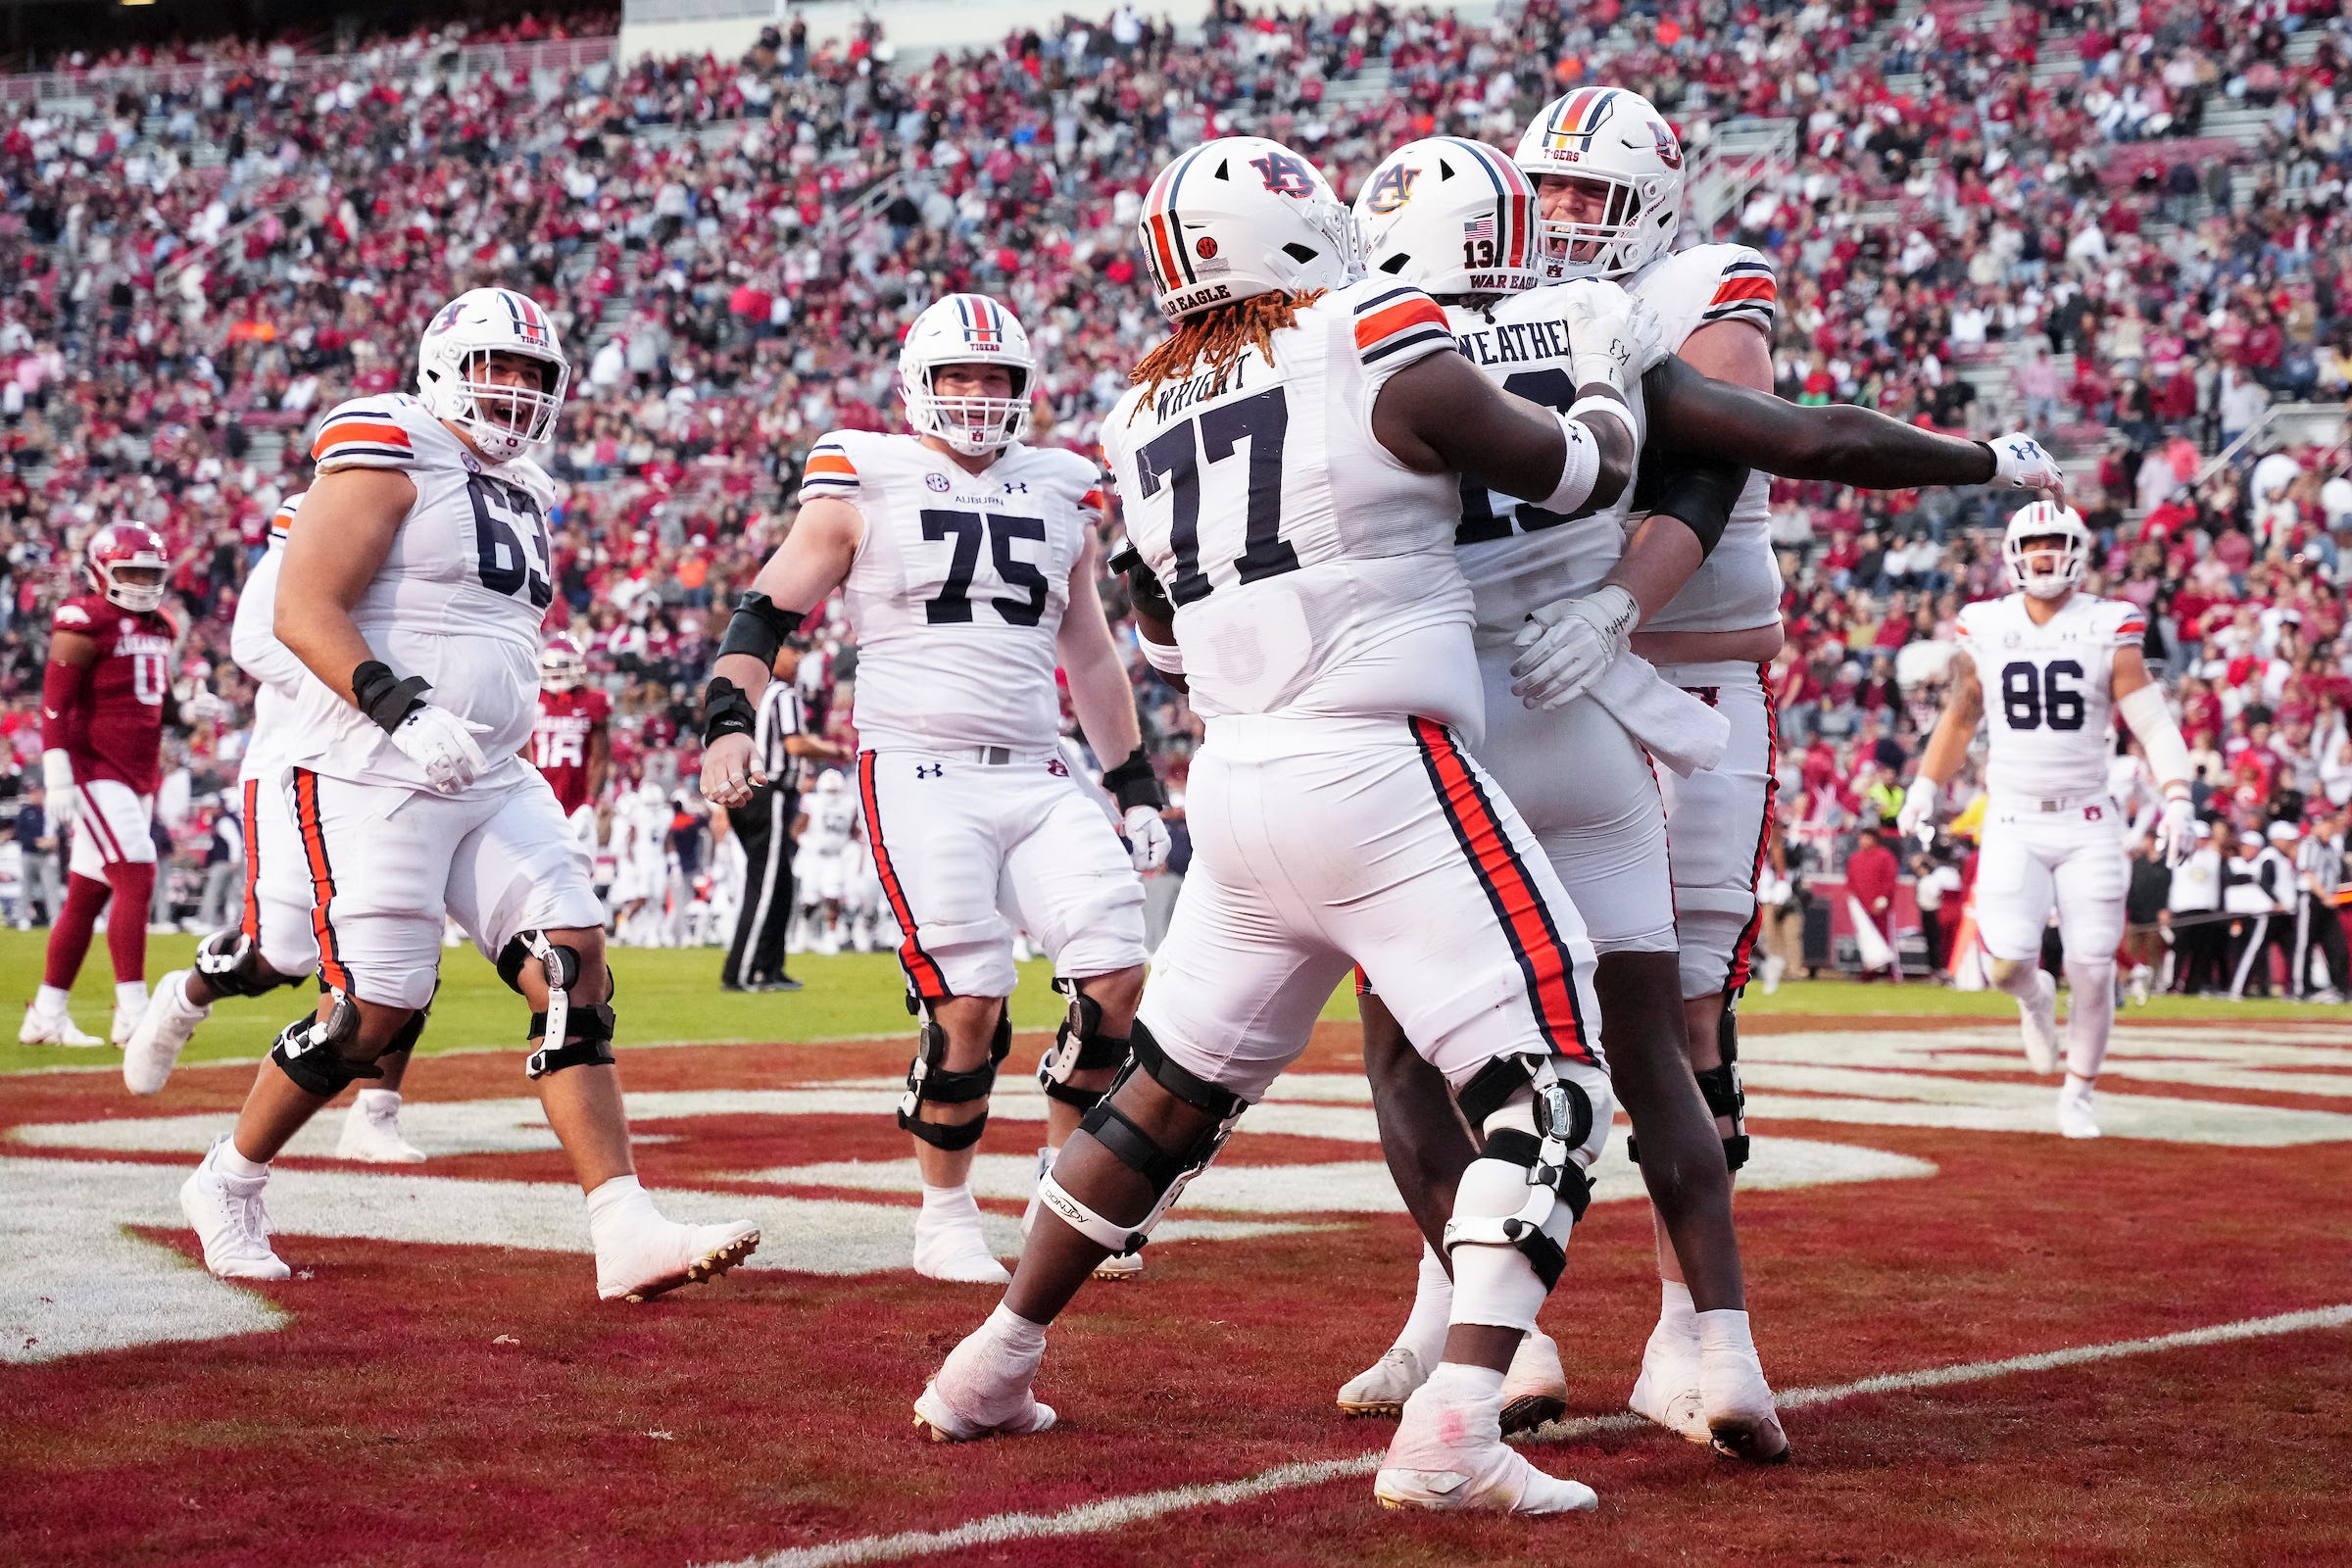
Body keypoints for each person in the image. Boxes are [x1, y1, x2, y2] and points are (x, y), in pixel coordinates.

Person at [910, 134, 1655, 1515]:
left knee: (1163, 1101)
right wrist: (1606, 390)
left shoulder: (1141, 412)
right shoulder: (1370, 324)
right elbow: (1567, 473)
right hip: (1381, 762)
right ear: (1303, 231)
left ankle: (990, 1363)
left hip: (1237, 790)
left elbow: (1159, 630)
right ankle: (1457, 1423)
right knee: (1550, 1085)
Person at [1333, 122, 2061, 1453]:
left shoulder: (1406, 340)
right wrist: (1983, 460)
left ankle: (1619, 1337)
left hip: (1535, 701)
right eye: (1540, 186)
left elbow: (1713, 470)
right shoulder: (1583, 325)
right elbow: (1791, 438)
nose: (1558, 208)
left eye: (1587, 192)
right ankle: (1640, 1337)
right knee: (1656, 1031)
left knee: (1459, 1025)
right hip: (1601, 714)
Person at [172, 288, 759, 1298]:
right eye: (496, 365)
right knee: (375, 1010)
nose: (515, 389)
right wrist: (399, 707)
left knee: (574, 964)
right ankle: (228, 1179)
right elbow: (302, 607)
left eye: (534, 374)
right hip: (369, 765)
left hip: (488, 767)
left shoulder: (527, 484)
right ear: (445, 363)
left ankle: (622, 1226)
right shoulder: (388, 437)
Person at [698, 290, 1172, 1286]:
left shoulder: (1058, 487)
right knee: (967, 1005)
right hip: (917, 768)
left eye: (995, 378)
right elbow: (767, 612)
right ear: (919, 383)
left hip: (1042, 771)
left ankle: (1070, 1181)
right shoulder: (862, 474)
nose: (976, 395)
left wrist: (1132, 784)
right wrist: (727, 723)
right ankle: (945, 1212)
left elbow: (1091, 658)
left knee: (1120, 975)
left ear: (1024, 389)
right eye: (958, 375)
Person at [124, 494, 428, 1161]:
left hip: (388, 764)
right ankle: (185, 995)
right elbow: (257, 640)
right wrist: (368, 688)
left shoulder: (443, 524)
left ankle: (376, 1113)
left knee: (405, 938)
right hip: (299, 757)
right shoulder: (330, 506)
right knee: (280, 954)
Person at [1898, 502, 2201, 1137]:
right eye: (2032, 542)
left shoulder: (2107, 624)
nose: (2042, 554)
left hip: (2089, 820)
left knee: (2094, 966)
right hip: (2012, 816)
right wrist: (1925, 786)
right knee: (2004, 962)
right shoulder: (1984, 624)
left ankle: (2079, 1095)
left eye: (2053, 542)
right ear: (2013, 553)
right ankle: (2034, 997)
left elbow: (2150, 721)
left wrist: (2177, 795)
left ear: (2076, 551)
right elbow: (1960, 716)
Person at [24, 522, 176, 1048]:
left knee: (88, 894)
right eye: (129, 571)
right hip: (94, 769)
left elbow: (155, 702)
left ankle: (46, 1013)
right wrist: (57, 768)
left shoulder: (160, 627)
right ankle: (134, 1010)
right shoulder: (83, 621)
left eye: (149, 573)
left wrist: (189, 709)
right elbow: (55, 704)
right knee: (136, 873)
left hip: (137, 773)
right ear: (100, 571)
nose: (139, 582)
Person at [722, 640, 843, 991]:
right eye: (795, 652)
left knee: (781, 883)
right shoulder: (783, 694)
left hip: (749, 791)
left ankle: (770, 968)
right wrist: (834, 749)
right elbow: (794, 745)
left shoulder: (753, 692)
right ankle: (743, 972)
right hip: (769, 791)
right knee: (765, 883)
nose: (800, 659)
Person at [530, 636, 611, 850]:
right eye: (549, 666)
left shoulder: (592, 702)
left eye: (562, 665)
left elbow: (601, 759)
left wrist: (590, 803)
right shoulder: (532, 699)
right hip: (536, 800)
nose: (555, 672)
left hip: (576, 804)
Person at [2229, 821, 2298, 1000]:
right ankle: (2238, 989)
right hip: (2271, 913)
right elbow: (2265, 882)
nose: (2291, 842)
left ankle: (2296, 988)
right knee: (2255, 949)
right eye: (2287, 839)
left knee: (2293, 950)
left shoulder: (2281, 857)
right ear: (2276, 839)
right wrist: (2277, 901)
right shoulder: (2270, 856)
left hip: (2284, 914)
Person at [2167, 819, 2230, 995]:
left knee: (2201, 951)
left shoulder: (2214, 856)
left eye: (2204, 838)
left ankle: (2193, 986)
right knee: (2180, 949)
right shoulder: (2180, 854)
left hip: (2206, 907)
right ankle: (2174, 983)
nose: (2201, 841)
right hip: (2183, 907)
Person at [2292, 808, 2349, 1001]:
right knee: (2304, 944)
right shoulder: (2309, 845)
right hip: (2311, 899)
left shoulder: (2332, 848)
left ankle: (2342, 989)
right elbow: (2307, 873)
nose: (2329, 828)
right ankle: (2301, 989)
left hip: (2329, 901)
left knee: (2337, 946)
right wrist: (2325, 896)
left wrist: (2332, 897)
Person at [1845, 825, 1901, 979]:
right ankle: (1869, 968)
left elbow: (1890, 879)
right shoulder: (1855, 858)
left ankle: (1892, 970)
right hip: (1862, 906)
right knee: (1866, 937)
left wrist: (1884, 897)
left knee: (1885, 936)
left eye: (1866, 837)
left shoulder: (1885, 856)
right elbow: (1851, 880)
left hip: (1880, 905)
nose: (1862, 841)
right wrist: (1852, 897)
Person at [2122, 838, 2172, 1004]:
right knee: (2130, 953)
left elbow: (2169, 889)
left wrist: (2166, 908)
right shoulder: (2137, 863)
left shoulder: (2166, 866)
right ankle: (2129, 984)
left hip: (2155, 917)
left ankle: (2154, 984)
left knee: (2153, 953)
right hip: (2136, 915)